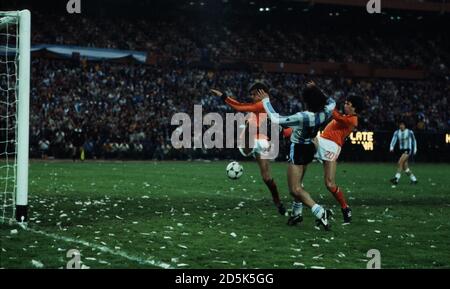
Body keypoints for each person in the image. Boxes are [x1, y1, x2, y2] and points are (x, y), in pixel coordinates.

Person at [260, 81, 336, 230]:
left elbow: (275, 119)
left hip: (299, 149)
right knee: (299, 184)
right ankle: (296, 213)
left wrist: (265, 100)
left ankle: (320, 212)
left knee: (294, 189)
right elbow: (332, 101)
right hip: (310, 147)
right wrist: (316, 88)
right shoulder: (326, 111)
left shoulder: (303, 116)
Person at [210, 82, 287, 215]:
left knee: (245, 146)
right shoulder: (265, 104)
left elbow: (239, 107)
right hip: (262, 141)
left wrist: (223, 96)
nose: (251, 96)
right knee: (266, 177)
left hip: (255, 139)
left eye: (253, 94)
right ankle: (277, 202)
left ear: (260, 93)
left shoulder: (260, 105)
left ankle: (247, 129)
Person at [314, 95, 365, 223]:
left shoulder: (353, 120)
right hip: (323, 142)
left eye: (348, 103)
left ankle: (345, 207)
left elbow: (336, 116)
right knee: (307, 138)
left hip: (331, 147)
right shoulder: (346, 116)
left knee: (329, 184)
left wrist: (330, 106)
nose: (345, 105)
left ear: (354, 107)